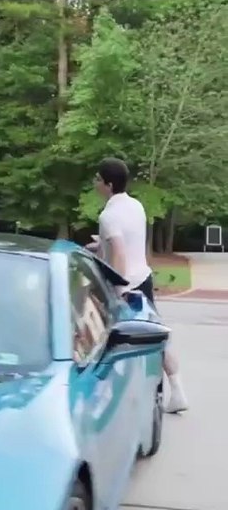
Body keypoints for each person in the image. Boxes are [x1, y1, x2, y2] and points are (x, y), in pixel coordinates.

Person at [91, 156, 188, 414]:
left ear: (109, 184)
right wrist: (100, 244)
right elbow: (129, 241)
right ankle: (177, 390)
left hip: (125, 286)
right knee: (153, 335)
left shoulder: (108, 215)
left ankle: (111, 398)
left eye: (98, 179)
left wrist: (119, 290)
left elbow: (119, 252)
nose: (95, 182)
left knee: (111, 341)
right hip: (143, 278)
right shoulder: (136, 206)